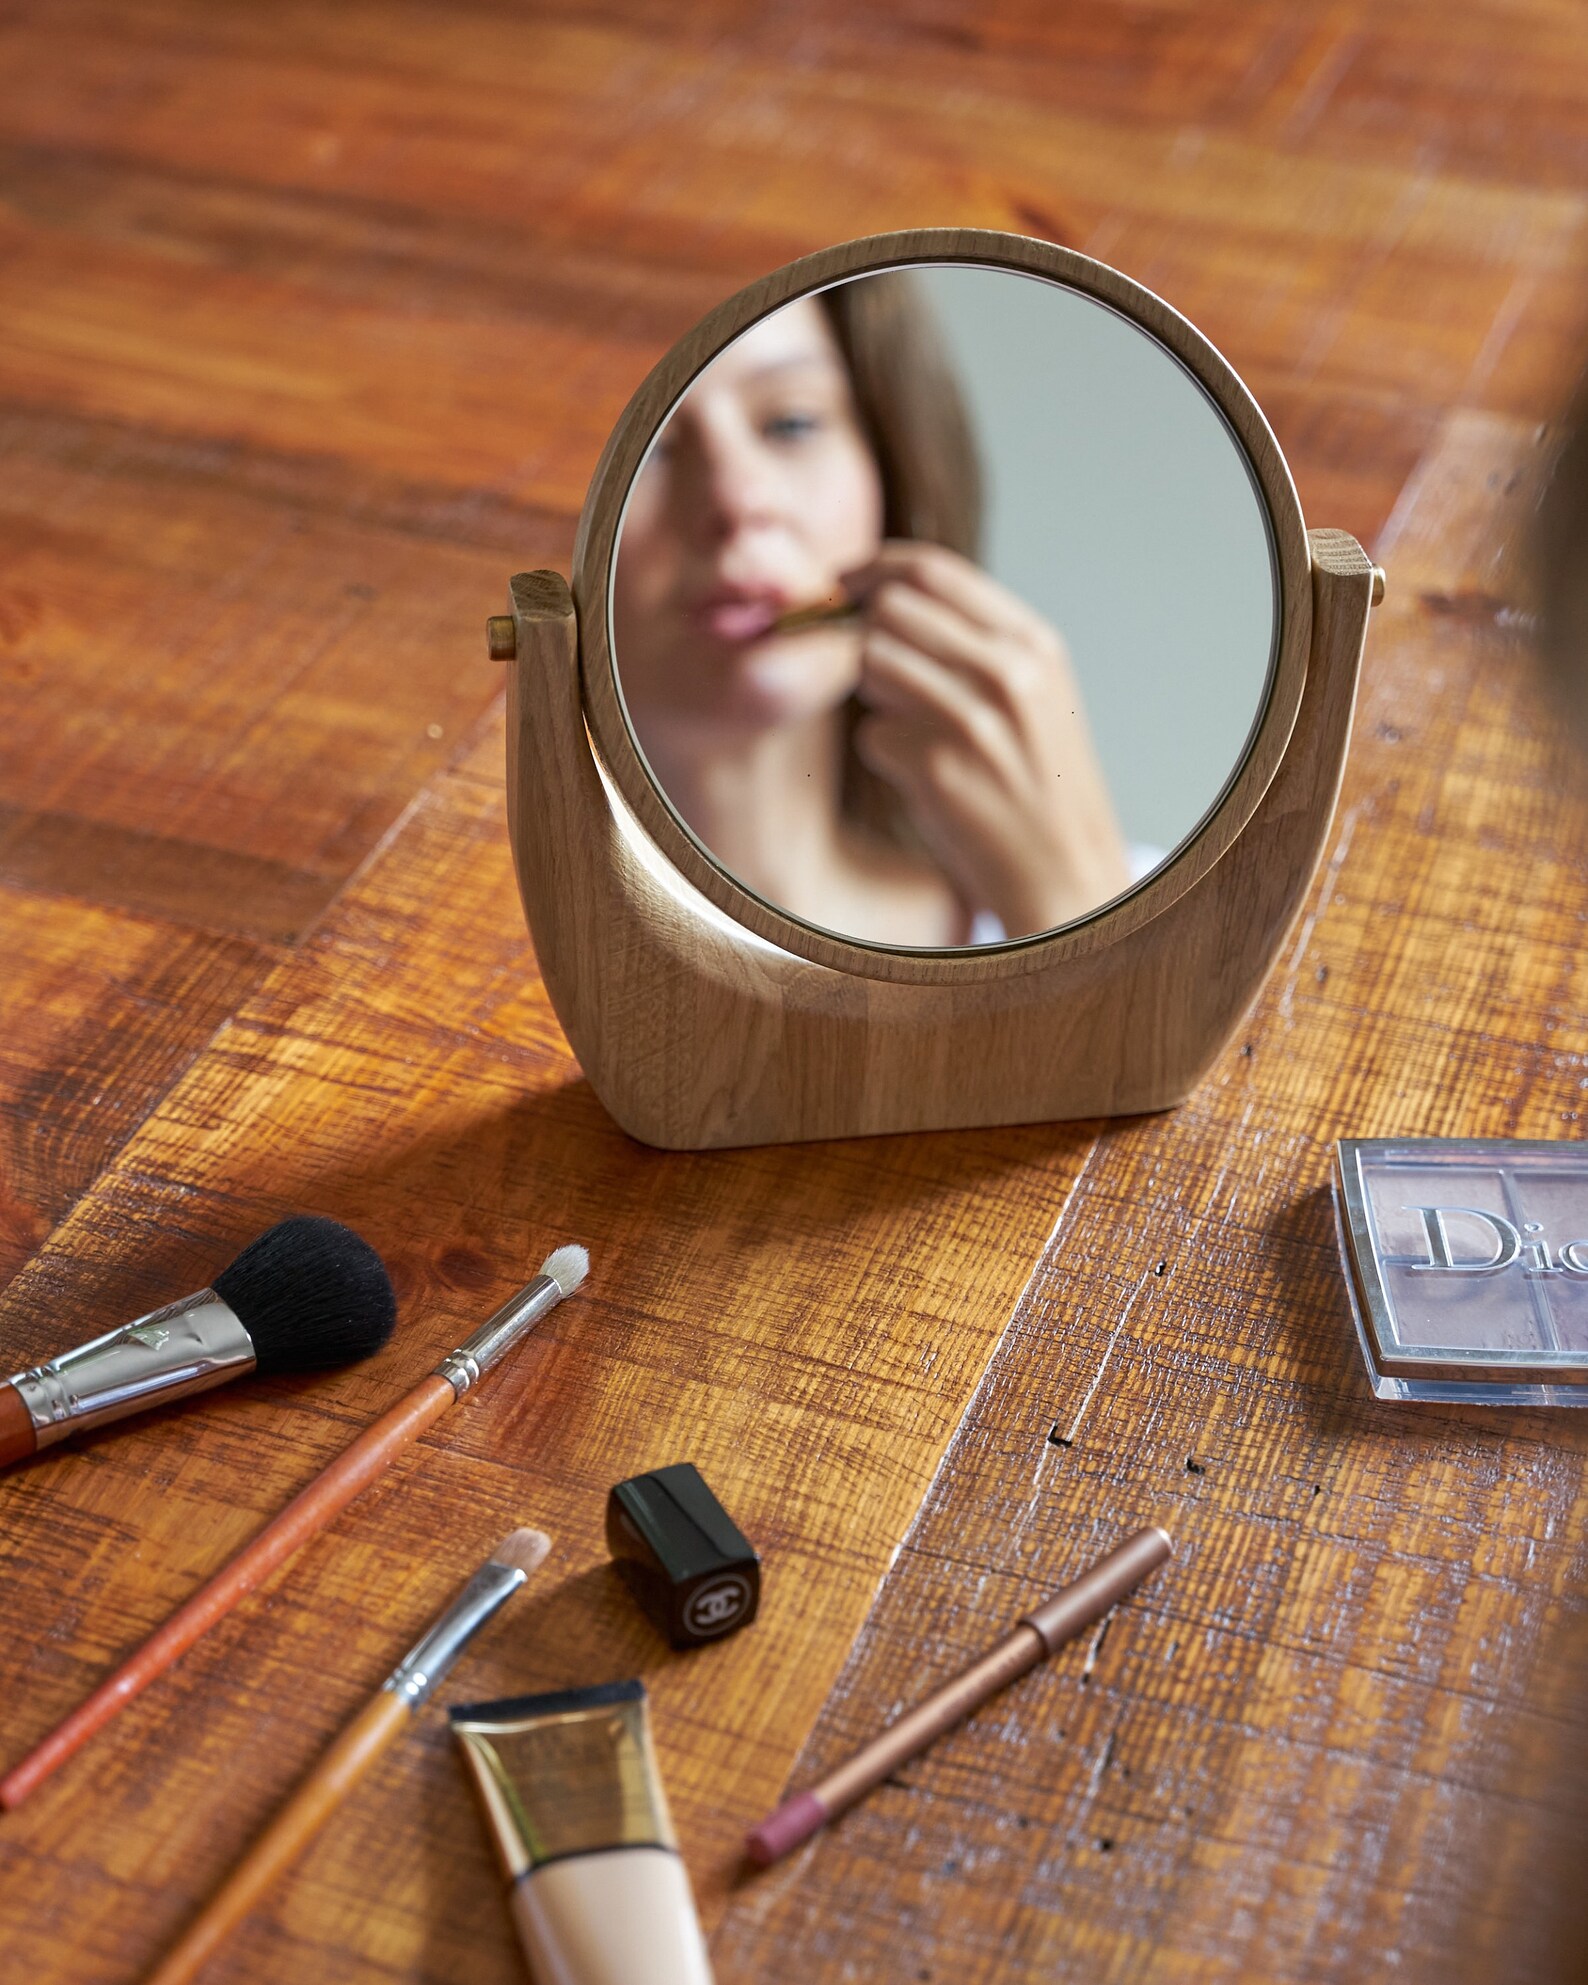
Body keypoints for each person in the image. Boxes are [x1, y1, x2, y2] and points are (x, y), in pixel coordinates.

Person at [611, 270, 1131, 946]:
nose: (736, 499)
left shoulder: (1127, 903)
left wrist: (1073, 904)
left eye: (790, 421)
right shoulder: (469, 970)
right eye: (646, 446)